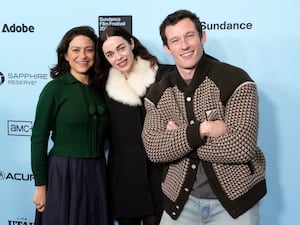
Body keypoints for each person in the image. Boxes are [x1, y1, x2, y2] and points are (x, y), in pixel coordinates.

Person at [142, 9, 267, 225]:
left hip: (235, 202)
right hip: (181, 202)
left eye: (190, 36)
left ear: (202, 37)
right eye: (175, 40)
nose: (184, 46)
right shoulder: (157, 93)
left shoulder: (236, 80)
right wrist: (202, 129)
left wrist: (179, 138)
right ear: (167, 48)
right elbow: (154, 149)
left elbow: (242, 147)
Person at [95, 26, 173, 225]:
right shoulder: (103, 86)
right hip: (123, 176)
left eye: (121, 48)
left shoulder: (163, 75)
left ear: (131, 43)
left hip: (160, 175)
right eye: (110, 54)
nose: (118, 57)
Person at [31, 26, 109, 225]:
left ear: (95, 54)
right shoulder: (54, 89)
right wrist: (40, 186)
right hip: (63, 173)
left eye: (89, 50)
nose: (82, 55)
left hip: (97, 171)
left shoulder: (101, 88)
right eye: (75, 50)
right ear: (65, 54)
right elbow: (38, 139)